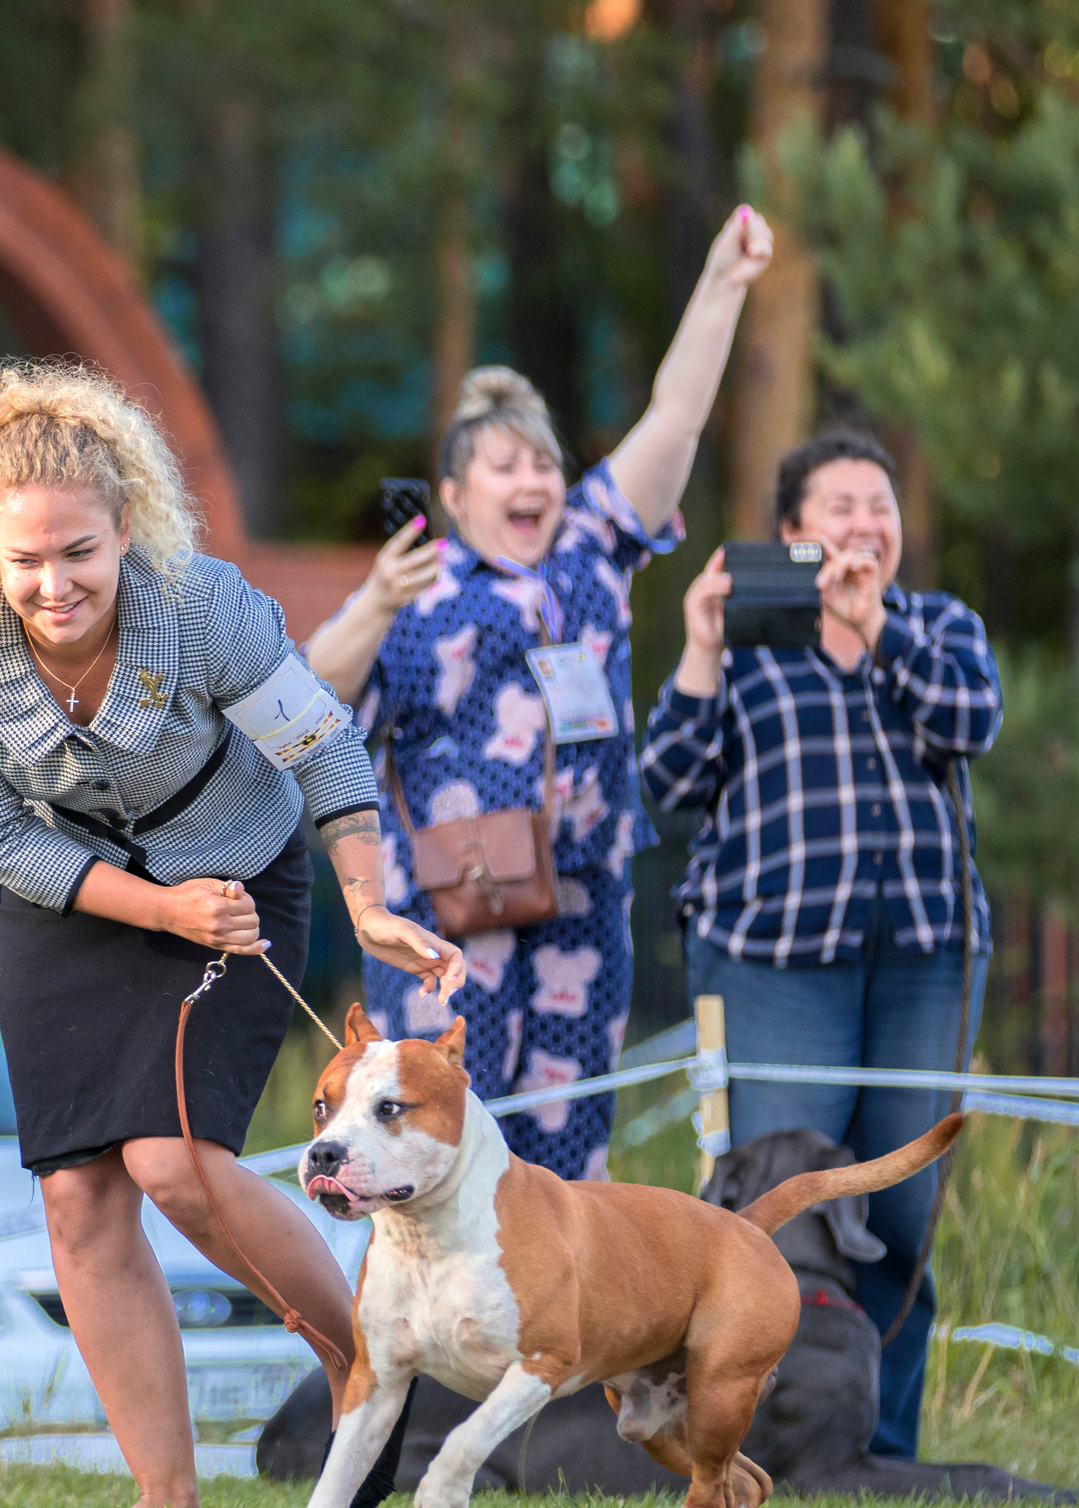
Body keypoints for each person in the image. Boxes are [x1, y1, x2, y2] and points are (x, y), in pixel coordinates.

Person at [0, 357, 463, 1508]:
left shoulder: (204, 606)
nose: (53, 584)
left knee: (170, 1160)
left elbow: (324, 751)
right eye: (24, 561)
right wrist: (154, 906)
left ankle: (371, 1376)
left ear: (123, 528)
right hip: (71, 902)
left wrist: (367, 902)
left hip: (243, 876)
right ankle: (164, 1506)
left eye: (78, 553)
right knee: (78, 1201)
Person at [305, 206, 774, 1181]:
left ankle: (553, 1335)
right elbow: (306, 706)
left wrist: (723, 280)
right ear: (454, 493)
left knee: (563, 1154)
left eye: (545, 463)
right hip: (437, 913)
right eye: (506, 465)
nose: (534, 480)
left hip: (580, 892)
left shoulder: (591, 547)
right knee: (418, 1151)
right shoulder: (413, 591)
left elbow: (675, 417)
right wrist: (373, 602)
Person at [639, 425, 1001, 1461]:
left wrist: (876, 628)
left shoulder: (936, 627)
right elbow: (668, 782)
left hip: (923, 959)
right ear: (792, 533)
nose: (863, 525)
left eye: (878, 508)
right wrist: (702, 645)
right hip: (773, 963)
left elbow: (971, 719)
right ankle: (755, 1435)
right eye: (839, 508)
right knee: (771, 1217)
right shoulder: (750, 644)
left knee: (900, 1204)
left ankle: (877, 1441)